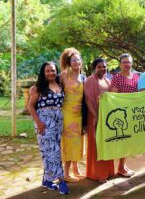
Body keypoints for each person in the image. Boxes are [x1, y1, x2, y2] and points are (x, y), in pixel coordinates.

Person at [28, 62, 69, 194]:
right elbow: (30, 106)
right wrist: (39, 123)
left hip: (58, 122)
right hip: (44, 122)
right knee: (54, 152)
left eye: (53, 70)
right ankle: (61, 181)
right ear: (43, 73)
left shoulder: (60, 85)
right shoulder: (39, 88)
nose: (51, 73)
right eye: (48, 71)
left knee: (49, 152)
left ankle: (46, 180)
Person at [84, 58, 115, 183]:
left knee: (106, 144)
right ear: (94, 68)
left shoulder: (107, 80)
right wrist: (95, 115)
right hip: (95, 117)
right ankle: (98, 174)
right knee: (97, 146)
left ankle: (108, 171)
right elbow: (88, 99)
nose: (102, 68)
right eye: (99, 67)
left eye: (104, 66)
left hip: (106, 117)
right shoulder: (91, 80)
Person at [110, 53, 139, 177]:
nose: (127, 64)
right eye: (124, 62)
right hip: (121, 114)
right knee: (123, 140)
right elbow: (113, 96)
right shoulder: (116, 77)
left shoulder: (137, 77)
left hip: (133, 113)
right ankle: (121, 168)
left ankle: (123, 166)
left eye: (129, 62)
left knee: (129, 142)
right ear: (120, 64)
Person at [60, 48, 85, 182]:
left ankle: (76, 169)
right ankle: (66, 173)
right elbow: (53, 86)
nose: (77, 62)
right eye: (74, 60)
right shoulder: (64, 75)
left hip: (80, 114)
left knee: (78, 142)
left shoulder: (83, 76)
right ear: (69, 62)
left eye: (78, 60)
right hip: (67, 113)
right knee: (69, 143)